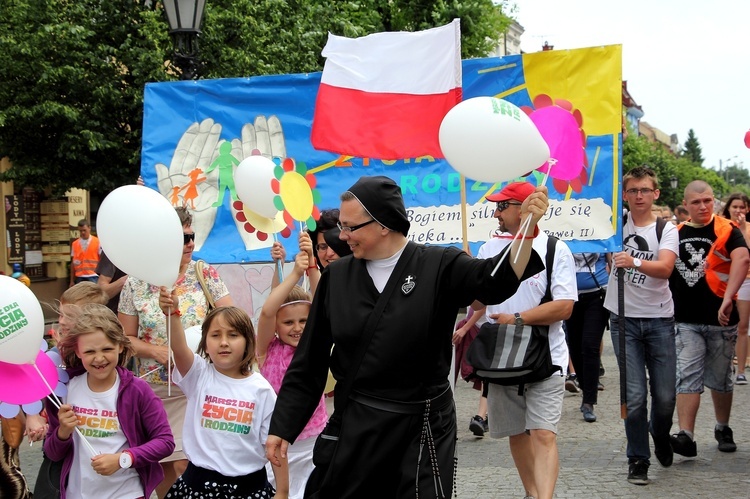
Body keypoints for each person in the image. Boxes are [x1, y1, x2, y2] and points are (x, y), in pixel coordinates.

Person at [266, 175, 549, 498]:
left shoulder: (439, 265)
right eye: (340, 227)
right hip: (358, 425)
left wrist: (526, 231)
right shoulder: (337, 278)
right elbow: (310, 362)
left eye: (350, 227)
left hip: (421, 428)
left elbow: (493, 281)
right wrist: (283, 427)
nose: (341, 236)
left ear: (384, 224)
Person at [118, 206, 233, 497]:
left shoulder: (203, 272)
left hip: (195, 387)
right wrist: (155, 350)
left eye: (192, 236)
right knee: (163, 468)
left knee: (186, 464)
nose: (190, 244)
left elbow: (233, 321)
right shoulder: (135, 281)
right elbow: (124, 339)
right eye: (183, 238)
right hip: (153, 391)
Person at [477, 181, 577, 499]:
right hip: (502, 358)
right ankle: (533, 493)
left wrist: (517, 318)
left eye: (502, 207)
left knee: (544, 433)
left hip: (545, 357)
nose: (495, 213)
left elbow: (564, 306)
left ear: (523, 209)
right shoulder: (488, 249)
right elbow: (480, 302)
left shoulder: (554, 249)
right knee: (516, 433)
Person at [158, 291, 288, 499]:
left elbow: (276, 446)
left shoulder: (261, 389)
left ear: (248, 341)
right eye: (216, 335)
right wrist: (172, 313)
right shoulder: (198, 376)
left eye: (233, 335)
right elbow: (179, 347)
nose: (224, 342)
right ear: (205, 344)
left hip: (249, 489)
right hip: (196, 488)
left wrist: (282, 492)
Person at [44, 304, 175, 499]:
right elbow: (52, 454)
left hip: (127, 493)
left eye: (107, 348)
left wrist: (124, 459)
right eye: (89, 352)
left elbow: (165, 442)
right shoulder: (63, 389)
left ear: (120, 346)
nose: (99, 358)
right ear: (78, 351)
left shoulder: (138, 391)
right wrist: (62, 432)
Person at [604, 166, 679, 485]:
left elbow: (664, 268)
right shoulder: (613, 225)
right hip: (623, 319)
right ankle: (638, 458)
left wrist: (632, 260)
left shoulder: (666, 229)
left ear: (655, 194)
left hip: (660, 319)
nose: (639, 196)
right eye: (633, 190)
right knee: (634, 395)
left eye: (645, 190)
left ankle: (660, 433)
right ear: (624, 194)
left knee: (665, 397)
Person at [669, 180, 750, 457]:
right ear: (686, 205)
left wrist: (729, 297)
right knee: (687, 375)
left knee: (720, 378)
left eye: (708, 201)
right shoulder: (675, 233)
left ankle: (722, 426)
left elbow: (742, 259)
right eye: (696, 202)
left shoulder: (727, 230)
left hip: (722, 319)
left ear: (714, 201)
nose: (703, 206)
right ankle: (686, 436)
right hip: (686, 319)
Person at [257, 238, 326, 498]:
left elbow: (324, 301)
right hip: (276, 444)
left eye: (303, 321)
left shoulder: (315, 345)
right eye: (288, 322)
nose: (297, 328)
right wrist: (294, 272)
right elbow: (266, 312)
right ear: (276, 325)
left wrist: (311, 266)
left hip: (311, 442)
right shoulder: (266, 350)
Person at [33, 282, 110, 498]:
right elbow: (37, 386)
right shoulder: (53, 359)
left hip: (97, 446)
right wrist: (34, 416)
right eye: (61, 314)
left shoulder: (101, 362)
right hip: (61, 448)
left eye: (70, 316)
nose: (62, 321)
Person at [566, 252, 610, 422]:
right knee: (575, 348)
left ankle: (589, 402)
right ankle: (585, 388)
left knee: (590, 346)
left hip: (597, 295)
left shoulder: (599, 232)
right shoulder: (566, 234)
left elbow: (611, 258)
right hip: (571, 297)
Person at [721, 193, 750, 385]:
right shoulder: (722, 227)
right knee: (724, 325)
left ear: (747, 209)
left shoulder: (748, 229)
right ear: (728, 209)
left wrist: (744, 228)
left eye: (742, 207)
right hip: (724, 280)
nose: (738, 211)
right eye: (735, 207)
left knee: (742, 326)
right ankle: (725, 364)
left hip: (747, 280)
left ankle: (740, 369)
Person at [69, 219, 100, 287]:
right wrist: (72, 280)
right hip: (80, 276)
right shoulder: (75, 244)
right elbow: (73, 264)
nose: (82, 232)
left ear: (89, 228)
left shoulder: (97, 242)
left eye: (84, 230)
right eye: (80, 231)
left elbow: (102, 260)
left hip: (93, 275)